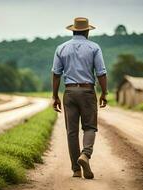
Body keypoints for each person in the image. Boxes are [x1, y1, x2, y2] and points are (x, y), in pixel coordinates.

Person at [51, 17, 108, 179]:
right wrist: (104, 93)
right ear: (87, 31)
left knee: (72, 131)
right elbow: (101, 72)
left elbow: (56, 74)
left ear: (73, 30)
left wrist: (55, 96)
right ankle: (85, 155)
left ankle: (76, 170)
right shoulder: (94, 47)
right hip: (87, 91)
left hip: (69, 92)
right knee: (90, 127)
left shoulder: (61, 48)